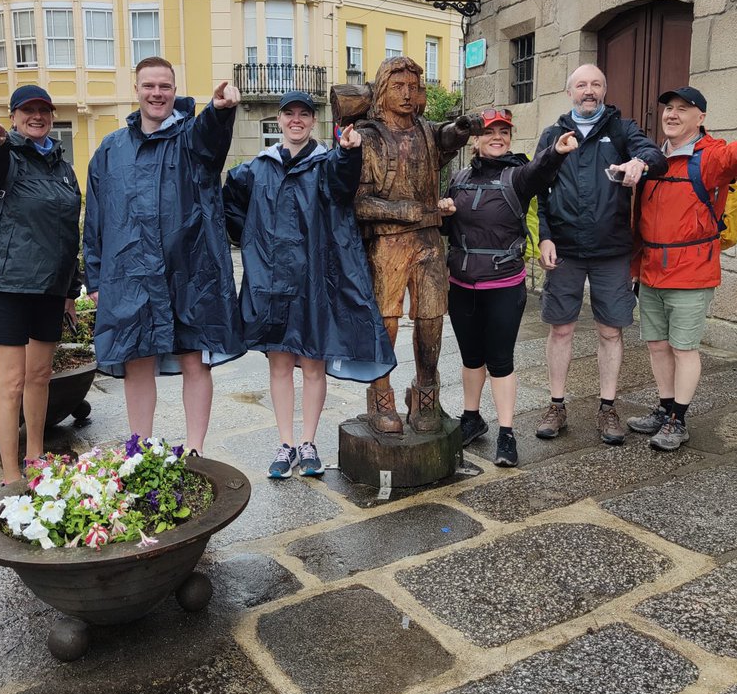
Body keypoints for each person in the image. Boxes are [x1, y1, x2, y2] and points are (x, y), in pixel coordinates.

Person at [223, 90, 396, 478]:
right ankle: (285, 444)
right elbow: (230, 204)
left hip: (316, 282)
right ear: (279, 121)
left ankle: (308, 441)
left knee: (314, 364)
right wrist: (252, 241)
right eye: (290, 114)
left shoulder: (327, 163)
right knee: (280, 364)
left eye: (304, 114)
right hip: (273, 283)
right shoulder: (257, 168)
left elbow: (343, 183)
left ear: (312, 121)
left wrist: (350, 152)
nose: (296, 120)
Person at [84, 56, 244, 455]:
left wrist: (220, 110)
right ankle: (137, 447)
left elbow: (210, 136)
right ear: (136, 90)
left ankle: (195, 448)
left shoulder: (192, 137)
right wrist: (96, 278)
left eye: (165, 87)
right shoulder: (111, 149)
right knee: (137, 360)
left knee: (194, 358)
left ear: (175, 90)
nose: (157, 94)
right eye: (149, 86)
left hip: (189, 269)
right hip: (131, 272)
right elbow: (97, 217)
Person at [629, 87, 737, 450]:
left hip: (691, 271)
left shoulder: (707, 156)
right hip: (650, 269)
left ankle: (679, 420)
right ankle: (664, 411)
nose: (672, 115)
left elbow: (733, 158)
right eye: (668, 109)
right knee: (657, 345)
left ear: (701, 118)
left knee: (683, 348)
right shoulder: (651, 157)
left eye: (683, 109)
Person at [534, 64, 667, 445]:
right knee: (561, 329)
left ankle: (608, 407)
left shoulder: (621, 130)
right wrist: (544, 236)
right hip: (567, 250)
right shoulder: (554, 134)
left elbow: (655, 156)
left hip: (612, 250)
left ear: (605, 90)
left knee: (610, 330)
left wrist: (639, 162)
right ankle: (556, 405)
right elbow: (540, 191)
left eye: (595, 84)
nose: (588, 91)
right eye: (581, 85)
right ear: (569, 92)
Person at [438, 108, 579, 467]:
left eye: (503, 131)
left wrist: (556, 153)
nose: (496, 136)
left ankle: (506, 432)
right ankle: (472, 419)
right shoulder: (459, 178)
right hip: (461, 283)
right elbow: (446, 231)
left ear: (510, 138)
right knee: (471, 359)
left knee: (500, 361)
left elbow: (540, 171)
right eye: (489, 132)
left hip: (502, 284)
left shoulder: (517, 176)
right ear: (477, 139)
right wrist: (444, 212)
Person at [354, 56, 473, 435]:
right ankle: (380, 396)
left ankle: (425, 394)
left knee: (431, 319)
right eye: (398, 87)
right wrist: (396, 209)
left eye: (413, 87)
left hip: (427, 239)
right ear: (381, 91)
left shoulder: (425, 130)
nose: (407, 94)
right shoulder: (369, 137)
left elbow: (447, 138)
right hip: (387, 242)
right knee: (386, 321)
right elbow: (357, 202)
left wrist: (460, 129)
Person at [0, 85, 81, 485]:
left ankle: (36, 454)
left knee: (40, 376)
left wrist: (72, 288)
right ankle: (10, 471)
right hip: (10, 284)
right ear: (15, 116)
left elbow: (69, 231)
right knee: (11, 381)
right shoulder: (7, 156)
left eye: (44, 110)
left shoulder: (62, 167)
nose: (37, 116)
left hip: (51, 286)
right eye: (28, 110)